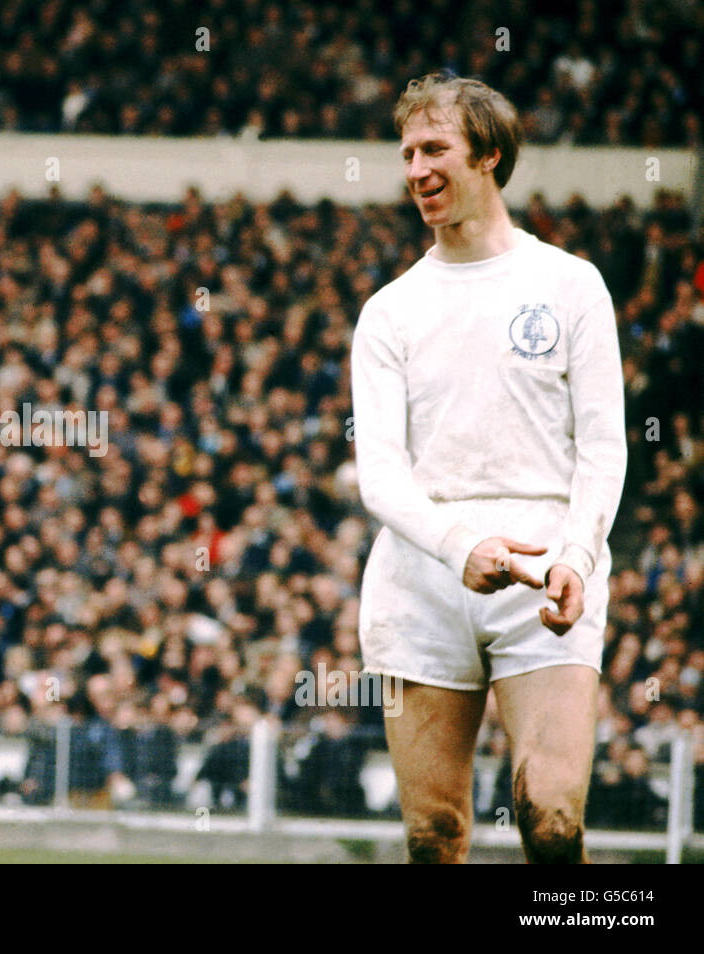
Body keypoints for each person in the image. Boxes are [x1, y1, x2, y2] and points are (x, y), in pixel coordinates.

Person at [350, 73, 627, 863]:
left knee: (551, 824)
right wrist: (458, 545)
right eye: (406, 153)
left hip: (547, 571)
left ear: (490, 155)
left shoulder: (570, 285)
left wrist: (578, 555)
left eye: (434, 147)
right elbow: (381, 474)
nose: (415, 169)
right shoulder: (389, 312)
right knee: (434, 836)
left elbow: (605, 446)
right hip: (423, 576)